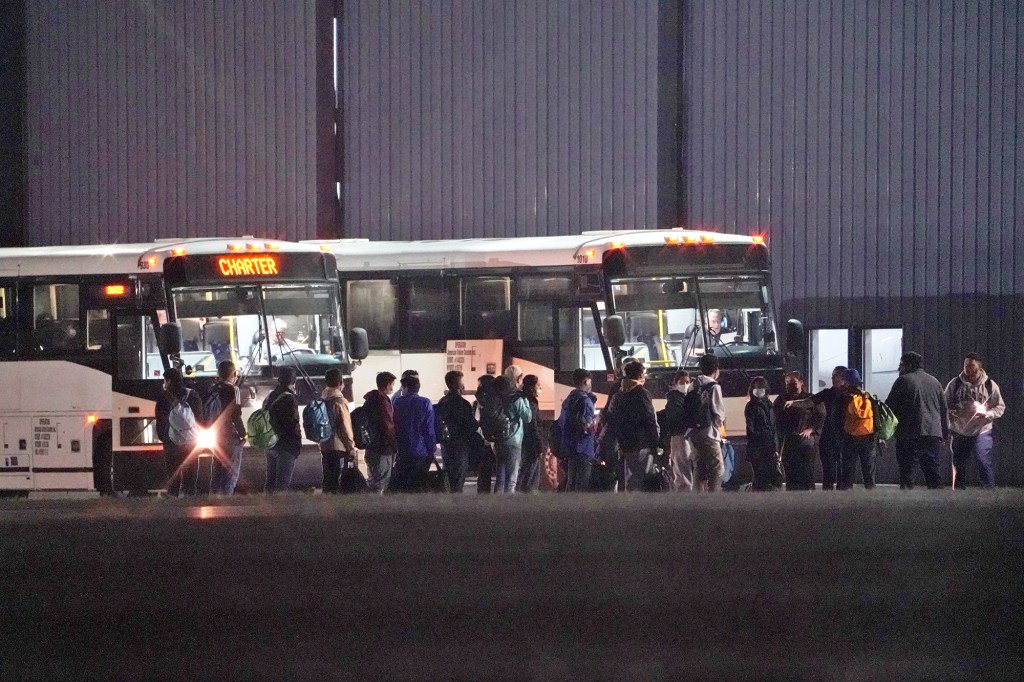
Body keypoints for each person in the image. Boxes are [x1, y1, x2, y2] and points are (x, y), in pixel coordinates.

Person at [885, 352, 949, 489]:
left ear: (908, 365)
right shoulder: (935, 382)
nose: (899, 369)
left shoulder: (903, 381)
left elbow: (889, 407)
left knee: (907, 473)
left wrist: (884, 432)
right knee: (933, 472)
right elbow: (943, 410)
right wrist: (944, 434)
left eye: (901, 365)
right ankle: (939, 504)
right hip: (932, 433)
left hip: (908, 433)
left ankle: (908, 506)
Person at [945, 353, 1006, 489]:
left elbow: (1000, 406)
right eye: (966, 365)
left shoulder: (990, 385)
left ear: (979, 367)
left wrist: (988, 414)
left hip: (982, 431)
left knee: (983, 461)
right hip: (960, 430)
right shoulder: (955, 384)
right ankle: (959, 493)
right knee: (959, 464)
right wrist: (949, 413)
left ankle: (988, 490)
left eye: (971, 365)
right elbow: (944, 404)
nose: (967, 368)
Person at [786, 366, 848, 490]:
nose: (833, 379)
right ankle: (828, 501)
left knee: (844, 473)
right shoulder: (827, 393)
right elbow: (811, 401)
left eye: (836, 376)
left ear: (844, 378)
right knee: (829, 472)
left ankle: (844, 499)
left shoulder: (851, 395)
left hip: (845, 437)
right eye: (833, 376)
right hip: (829, 437)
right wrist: (794, 403)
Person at [604, 360, 659, 491]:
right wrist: (656, 443)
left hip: (625, 444)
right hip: (642, 443)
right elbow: (650, 419)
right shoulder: (642, 393)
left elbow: (611, 419)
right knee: (641, 480)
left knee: (630, 479)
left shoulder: (618, 395)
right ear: (640, 375)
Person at [155, 367, 204, 497]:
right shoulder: (193, 395)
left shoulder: (163, 398)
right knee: (191, 473)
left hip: (172, 443)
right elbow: (200, 419)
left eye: (165, 381)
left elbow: (161, 422)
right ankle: (190, 498)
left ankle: (173, 499)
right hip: (192, 442)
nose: (164, 384)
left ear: (169, 381)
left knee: (173, 474)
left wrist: (165, 438)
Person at [773, 371, 824, 491]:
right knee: (791, 474)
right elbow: (776, 420)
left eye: (793, 383)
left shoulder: (811, 399)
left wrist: (811, 429)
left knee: (807, 474)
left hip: (806, 443)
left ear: (801, 383)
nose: (790, 386)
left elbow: (821, 417)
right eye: (787, 383)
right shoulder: (781, 399)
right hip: (788, 442)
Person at [435, 370, 481, 492]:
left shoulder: (442, 402)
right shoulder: (463, 404)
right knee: (458, 479)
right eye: (461, 382)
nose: (463, 385)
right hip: (460, 445)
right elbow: (471, 425)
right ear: (456, 384)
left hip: (446, 444)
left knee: (448, 477)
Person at [206, 360, 246, 495]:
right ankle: (226, 508)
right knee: (230, 476)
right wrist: (243, 434)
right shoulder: (233, 389)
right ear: (234, 374)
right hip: (231, 437)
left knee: (217, 475)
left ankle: (213, 504)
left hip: (216, 437)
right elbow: (235, 415)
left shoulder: (212, 389)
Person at [392, 374, 436, 491]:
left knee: (404, 485)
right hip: (420, 452)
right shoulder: (425, 403)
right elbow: (428, 429)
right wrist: (431, 449)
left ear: (406, 388)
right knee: (418, 485)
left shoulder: (398, 403)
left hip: (402, 452)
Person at [490, 376, 533, 493]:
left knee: (500, 478)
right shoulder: (517, 400)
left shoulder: (496, 399)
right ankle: (508, 506)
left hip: (498, 441)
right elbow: (528, 417)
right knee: (511, 479)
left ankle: (496, 505)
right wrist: (526, 401)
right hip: (514, 441)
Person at [558, 369, 599, 492]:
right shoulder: (585, 401)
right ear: (586, 381)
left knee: (571, 481)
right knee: (582, 484)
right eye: (590, 382)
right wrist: (597, 419)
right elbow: (586, 427)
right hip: (583, 447)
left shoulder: (569, 399)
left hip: (570, 447)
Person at [263, 367, 302, 493]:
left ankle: (265, 510)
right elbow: (293, 424)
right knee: (281, 485)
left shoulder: (270, 396)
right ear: (294, 381)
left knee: (270, 483)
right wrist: (297, 445)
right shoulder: (290, 398)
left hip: (271, 444)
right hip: (286, 446)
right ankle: (278, 511)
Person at [836, 368, 876, 490]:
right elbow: (877, 418)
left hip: (849, 438)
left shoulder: (842, 398)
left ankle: (847, 501)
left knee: (847, 473)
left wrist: (839, 437)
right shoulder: (868, 397)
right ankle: (872, 498)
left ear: (847, 382)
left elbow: (836, 420)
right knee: (869, 472)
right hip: (868, 438)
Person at [691, 354, 726, 492]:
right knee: (717, 469)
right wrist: (717, 429)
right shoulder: (713, 386)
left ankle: (698, 502)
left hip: (693, 434)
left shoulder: (692, 385)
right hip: (709, 434)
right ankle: (714, 501)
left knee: (699, 469)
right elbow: (718, 413)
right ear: (716, 369)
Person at [320, 367, 357, 493]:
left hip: (325, 445)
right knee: (337, 481)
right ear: (340, 382)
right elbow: (345, 427)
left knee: (328, 479)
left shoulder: (322, 400)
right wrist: (351, 448)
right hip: (339, 447)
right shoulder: (340, 401)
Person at [362, 371, 398, 494]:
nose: (393, 387)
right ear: (387, 384)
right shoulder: (382, 401)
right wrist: (394, 444)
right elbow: (388, 425)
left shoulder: (370, 400)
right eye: (392, 384)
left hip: (371, 447)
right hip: (383, 448)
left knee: (373, 481)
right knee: (381, 483)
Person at [745, 376, 781, 491]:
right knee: (760, 479)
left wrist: (775, 447)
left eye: (761, 387)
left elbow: (773, 427)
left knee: (770, 479)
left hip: (770, 448)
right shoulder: (751, 406)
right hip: (758, 449)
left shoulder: (769, 404)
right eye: (756, 387)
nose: (759, 389)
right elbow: (751, 429)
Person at [663, 370, 695, 491]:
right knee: (682, 469)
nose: (685, 384)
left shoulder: (687, 397)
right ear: (676, 383)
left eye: (688, 382)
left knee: (686, 468)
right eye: (682, 382)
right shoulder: (674, 399)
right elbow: (677, 419)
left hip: (687, 436)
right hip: (680, 436)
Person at [516, 375, 545, 493]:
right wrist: (539, 443)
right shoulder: (531, 401)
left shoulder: (523, 398)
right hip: (530, 443)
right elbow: (532, 425)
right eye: (538, 385)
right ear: (532, 387)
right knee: (530, 472)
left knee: (526, 470)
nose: (540, 388)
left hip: (525, 440)